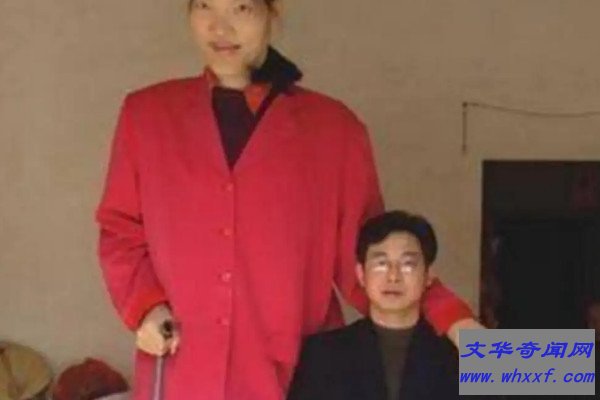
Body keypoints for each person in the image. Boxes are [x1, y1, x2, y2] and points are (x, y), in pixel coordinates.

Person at [95, 1, 480, 399]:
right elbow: (120, 231)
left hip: (297, 377)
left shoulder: (334, 130)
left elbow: (372, 255)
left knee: (509, 374)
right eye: (205, 5)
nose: (220, 27)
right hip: (182, 373)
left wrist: (458, 322)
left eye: (241, 8)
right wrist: (144, 306)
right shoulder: (147, 117)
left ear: (272, 13)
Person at [288, 211, 469, 400]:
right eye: (381, 264)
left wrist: (471, 335)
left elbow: (492, 390)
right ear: (361, 274)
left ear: (429, 275)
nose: (393, 276)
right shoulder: (322, 353)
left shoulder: (460, 352)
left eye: (407, 264)